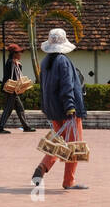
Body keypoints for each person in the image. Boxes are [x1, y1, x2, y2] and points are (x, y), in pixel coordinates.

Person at [31, 28, 88, 190]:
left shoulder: (45, 62)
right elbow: (67, 86)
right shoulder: (63, 61)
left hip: (53, 110)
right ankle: (68, 181)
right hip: (67, 110)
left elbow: (43, 87)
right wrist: (70, 107)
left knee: (59, 143)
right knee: (73, 146)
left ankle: (42, 167)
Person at [0, 44, 36, 134]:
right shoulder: (11, 62)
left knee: (20, 108)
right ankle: (0, 128)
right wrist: (17, 65)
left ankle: (26, 127)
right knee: (8, 108)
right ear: (14, 53)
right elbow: (14, 77)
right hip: (10, 89)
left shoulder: (13, 62)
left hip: (13, 90)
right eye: (19, 52)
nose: (20, 54)